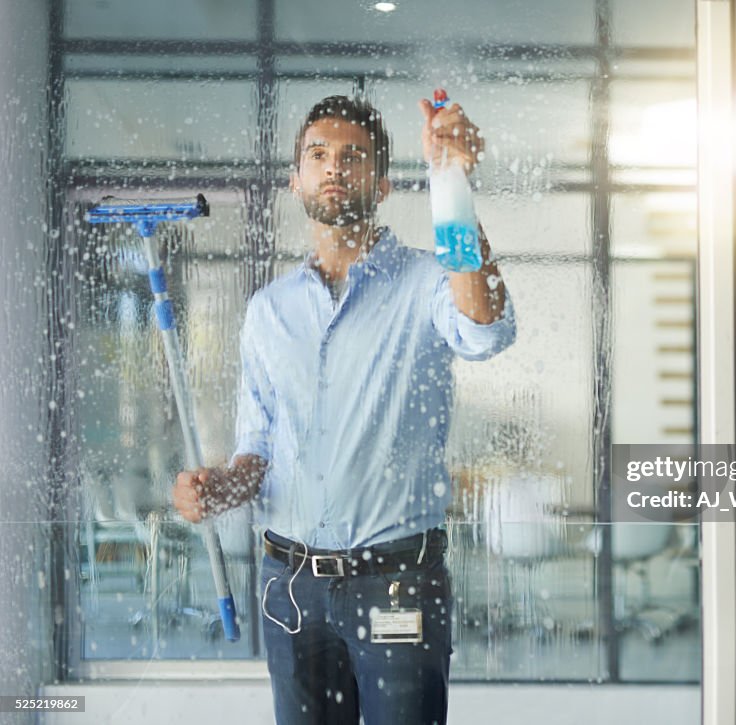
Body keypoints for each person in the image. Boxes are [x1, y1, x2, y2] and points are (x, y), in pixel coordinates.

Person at [172, 93, 516, 725]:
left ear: (381, 183)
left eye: (353, 156)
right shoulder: (269, 311)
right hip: (290, 587)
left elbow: (484, 328)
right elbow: (261, 450)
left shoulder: (426, 284)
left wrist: (453, 184)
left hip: (396, 583)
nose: (334, 167)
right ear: (295, 179)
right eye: (319, 154)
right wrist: (220, 488)